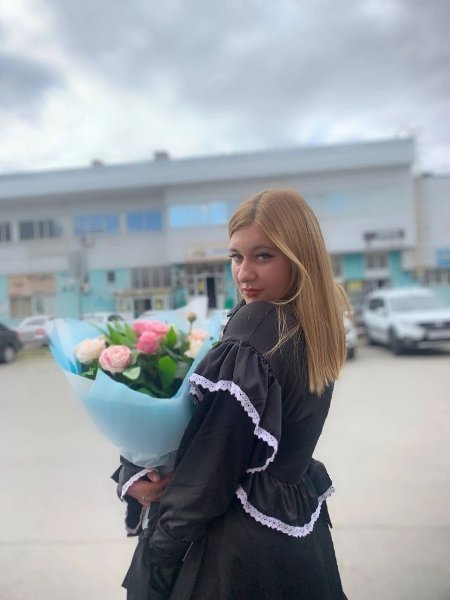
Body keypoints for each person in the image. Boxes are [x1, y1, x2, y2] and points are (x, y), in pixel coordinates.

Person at [115, 188, 349, 599]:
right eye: (236, 257)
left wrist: (160, 554)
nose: (244, 274)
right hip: (297, 539)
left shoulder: (257, 326)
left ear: (299, 257)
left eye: (263, 256)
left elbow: (210, 470)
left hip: (236, 551)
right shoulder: (312, 326)